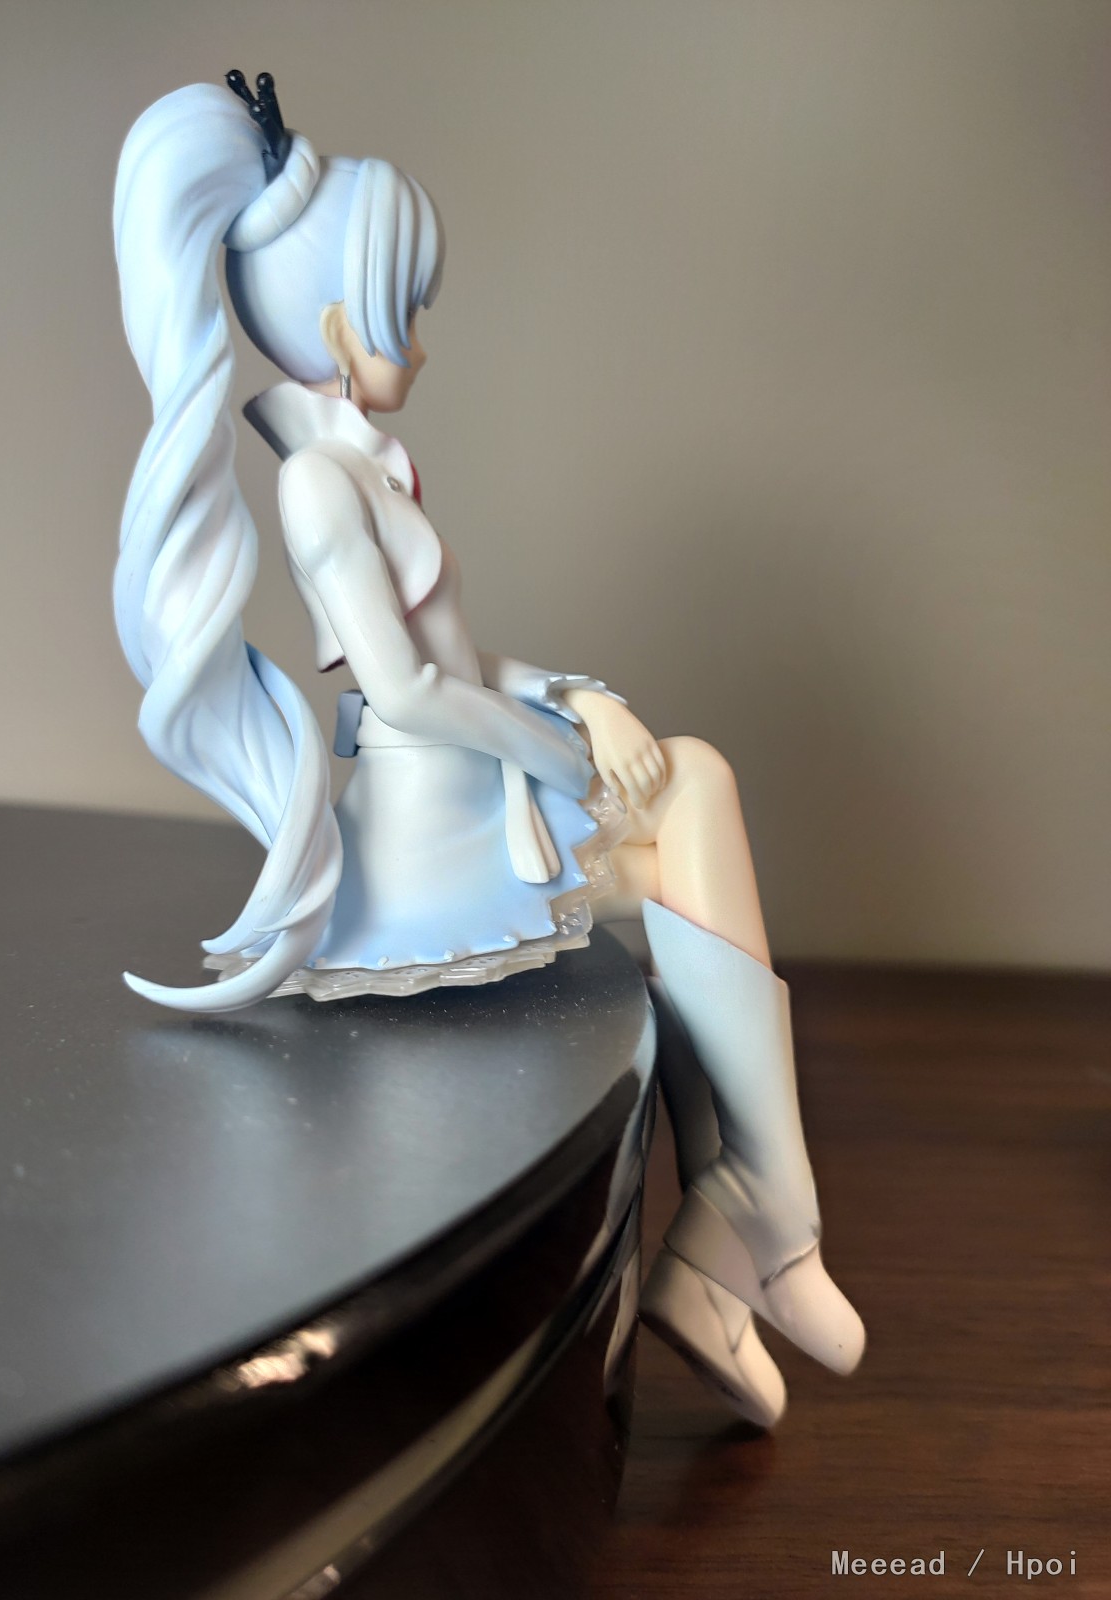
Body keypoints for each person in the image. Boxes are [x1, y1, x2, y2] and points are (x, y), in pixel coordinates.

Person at [112, 77, 865, 1427]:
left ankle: (745, 1228)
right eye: (407, 313)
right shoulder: (317, 482)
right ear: (341, 325)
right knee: (698, 800)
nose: (423, 345)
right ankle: (754, 1229)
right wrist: (573, 761)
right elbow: (411, 690)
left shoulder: (366, 465)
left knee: (692, 787)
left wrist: (592, 703)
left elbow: (466, 662)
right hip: (432, 822)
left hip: (470, 775)